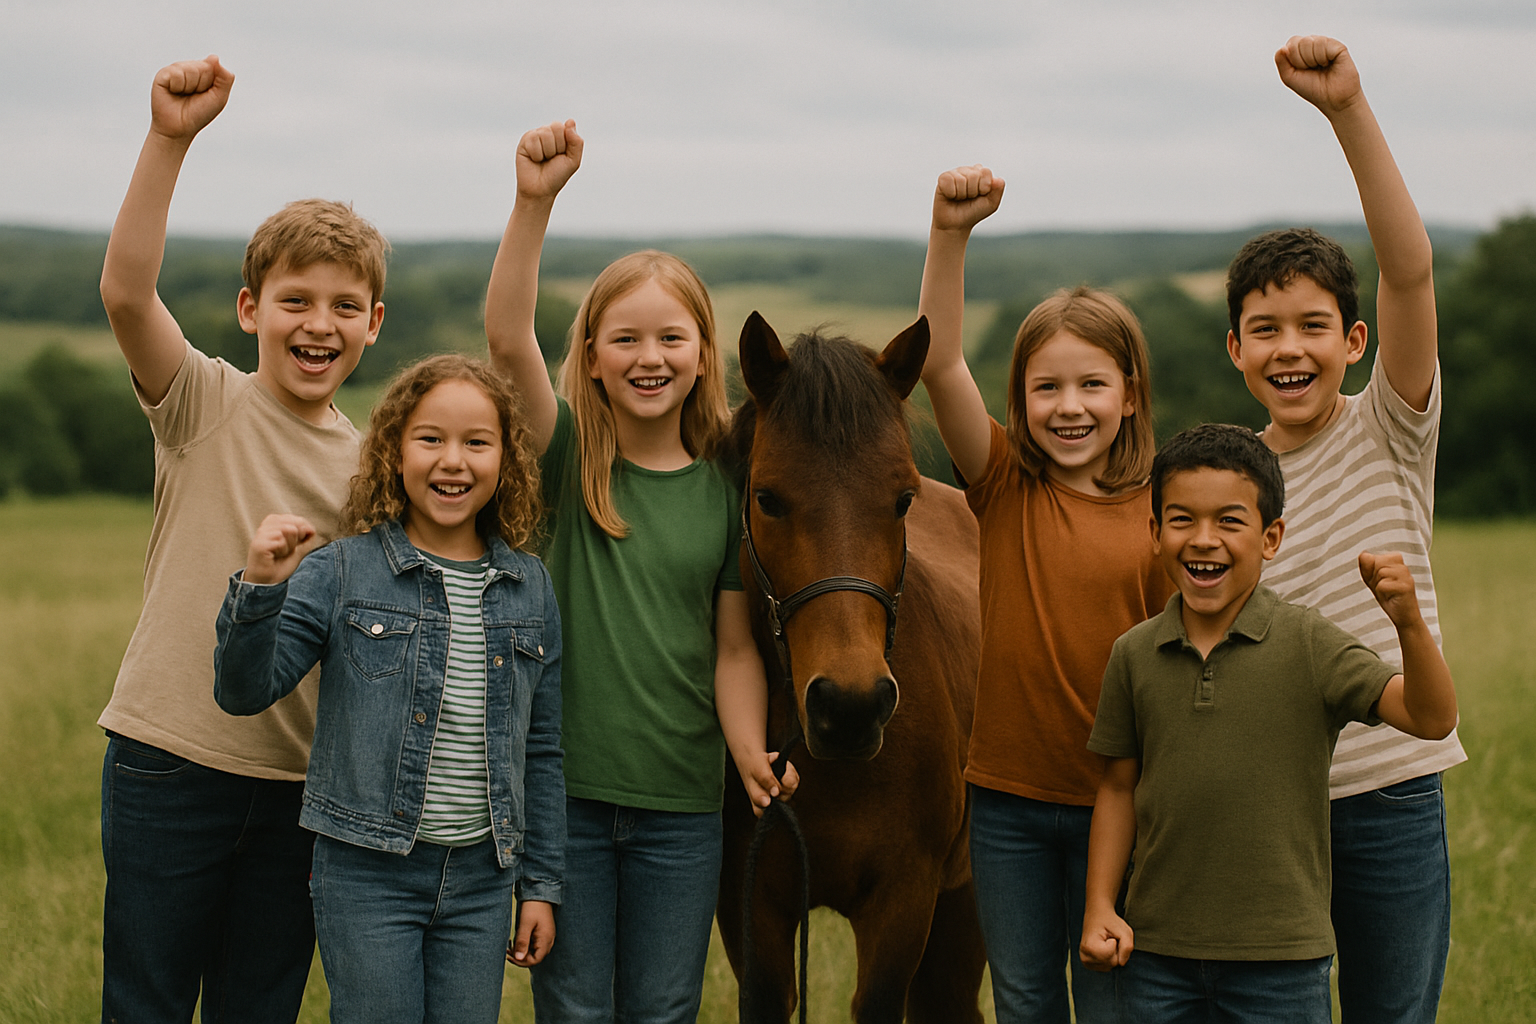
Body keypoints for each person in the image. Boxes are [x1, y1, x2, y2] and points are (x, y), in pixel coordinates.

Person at [482, 119, 797, 1023]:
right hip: (564, 801)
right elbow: (506, 338)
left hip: (683, 806)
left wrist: (748, 752)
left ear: (702, 353)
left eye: (670, 339)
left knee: (663, 1011)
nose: (649, 358)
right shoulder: (563, 455)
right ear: (590, 357)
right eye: (623, 339)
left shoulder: (725, 488)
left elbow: (732, 648)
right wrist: (533, 203)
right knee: (576, 1010)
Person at [96, 55, 388, 1023]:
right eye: (295, 299)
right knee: (145, 998)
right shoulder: (202, 399)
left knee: (258, 1007)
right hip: (168, 760)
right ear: (250, 309)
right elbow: (127, 293)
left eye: (343, 306)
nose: (318, 324)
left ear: (373, 324)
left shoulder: (374, 467)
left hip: (298, 781)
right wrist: (168, 138)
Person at [1224, 35, 1466, 1022]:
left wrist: (1347, 109)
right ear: (1235, 349)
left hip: (1392, 788)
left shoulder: (1390, 426)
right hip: (1271, 802)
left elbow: (1409, 271)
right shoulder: (1230, 480)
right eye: (1266, 330)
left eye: (1313, 326)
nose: (1291, 349)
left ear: (1354, 341)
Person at [211, 354, 563, 1024]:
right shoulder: (345, 570)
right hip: (366, 873)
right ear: (394, 453)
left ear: (507, 460)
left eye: (477, 442)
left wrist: (540, 885)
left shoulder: (530, 587)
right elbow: (244, 691)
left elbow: (541, 749)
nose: (453, 461)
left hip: (483, 880)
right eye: (430, 439)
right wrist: (260, 587)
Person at [1080, 423, 1459, 1022]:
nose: (1204, 540)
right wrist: (1100, 904)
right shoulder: (1133, 654)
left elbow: (1431, 718)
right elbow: (1118, 787)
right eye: (1182, 520)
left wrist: (1408, 622)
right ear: (1154, 533)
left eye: (1229, 521)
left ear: (1271, 537)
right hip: (1155, 957)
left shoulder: (1309, 643)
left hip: (1282, 964)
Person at [916, 164, 1175, 1023]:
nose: (1070, 407)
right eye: (1047, 388)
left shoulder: (1167, 511)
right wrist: (949, 234)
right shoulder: (1003, 484)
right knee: (1025, 1001)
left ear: (1130, 394)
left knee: (1109, 1000)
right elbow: (939, 359)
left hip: (1124, 801)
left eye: (1092, 385)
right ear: (1019, 399)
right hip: (1007, 804)